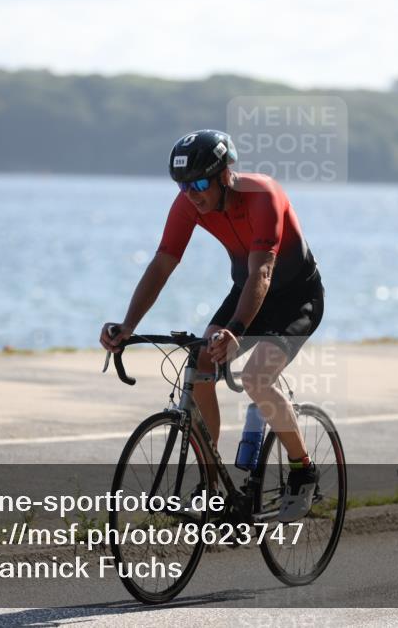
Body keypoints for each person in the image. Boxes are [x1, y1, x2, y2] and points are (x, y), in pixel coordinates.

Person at [100, 129, 325, 522]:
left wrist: (235, 330)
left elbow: (264, 272)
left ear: (225, 176)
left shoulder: (262, 195)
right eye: (183, 185)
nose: (192, 193)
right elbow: (162, 263)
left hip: (294, 296)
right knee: (201, 362)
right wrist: (127, 324)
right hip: (247, 290)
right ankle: (214, 481)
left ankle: (303, 468)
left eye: (201, 183)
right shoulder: (188, 204)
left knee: (257, 378)